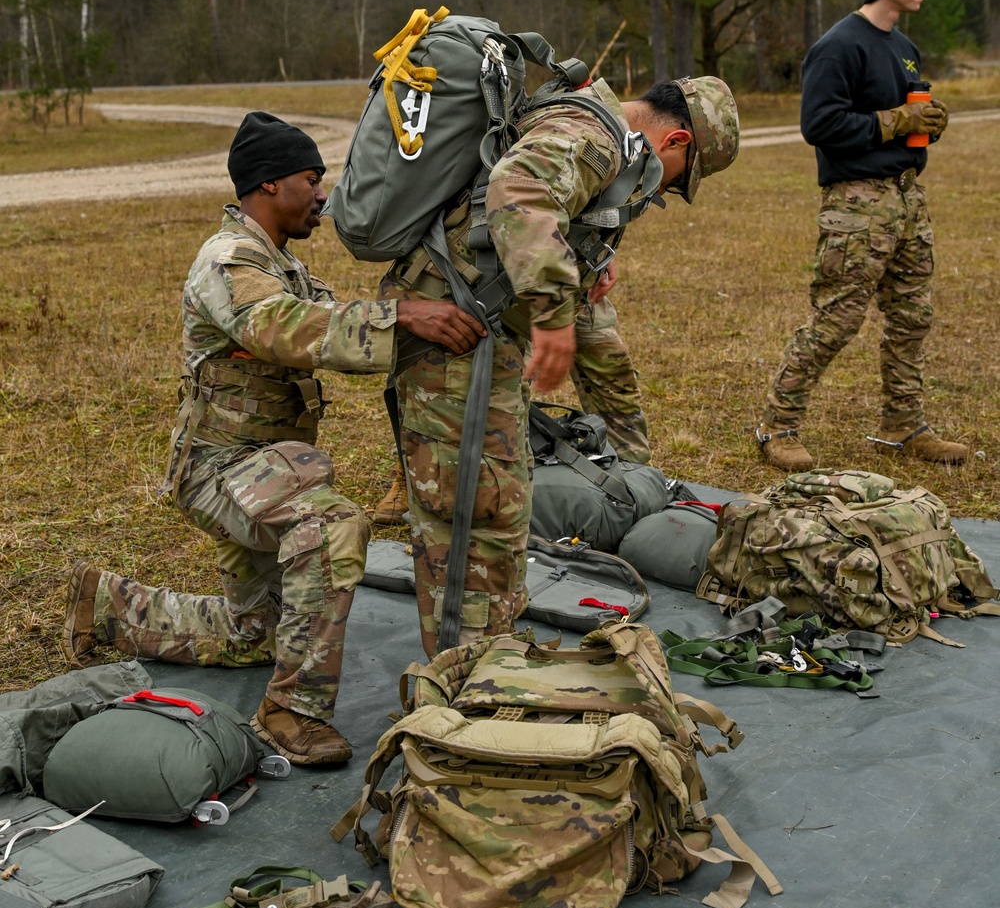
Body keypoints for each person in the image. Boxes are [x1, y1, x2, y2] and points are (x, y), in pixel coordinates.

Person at [61, 111, 482, 764]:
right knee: (333, 526)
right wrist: (404, 316)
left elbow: (332, 321)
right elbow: (283, 328)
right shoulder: (228, 261)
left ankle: (109, 605)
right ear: (267, 185)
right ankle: (291, 714)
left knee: (252, 635)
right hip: (219, 469)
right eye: (311, 180)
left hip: (266, 468)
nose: (323, 196)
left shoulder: (284, 266)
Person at [378, 75, 739, 656]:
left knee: (497, 500)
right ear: (674, 140)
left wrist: (593, 259)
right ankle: (461, 673)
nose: (662, 193)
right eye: (677, 181)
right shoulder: (593, 134)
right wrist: (551, 313)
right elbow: (518, 189)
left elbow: (556, 205)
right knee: (467, 513)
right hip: (454, 331)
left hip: (479, 326)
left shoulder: (597, 131)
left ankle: (489, 648)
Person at [756, 0, 968, 470]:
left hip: (906, 200)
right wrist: (898, 120)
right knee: (837, 319)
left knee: (911, 317)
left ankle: (903, 425)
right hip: (857, 204)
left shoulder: (905, 48)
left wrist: (928, 125)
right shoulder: (838, 46)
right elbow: (819, 125)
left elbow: (903, 119)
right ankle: (776, 426)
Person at [370, 257, 648, 526]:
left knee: (610, 363)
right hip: (482, 265)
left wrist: (604, 250)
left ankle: (631, 479)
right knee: (437, 372)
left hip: (571, 259)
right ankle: (413, 476)